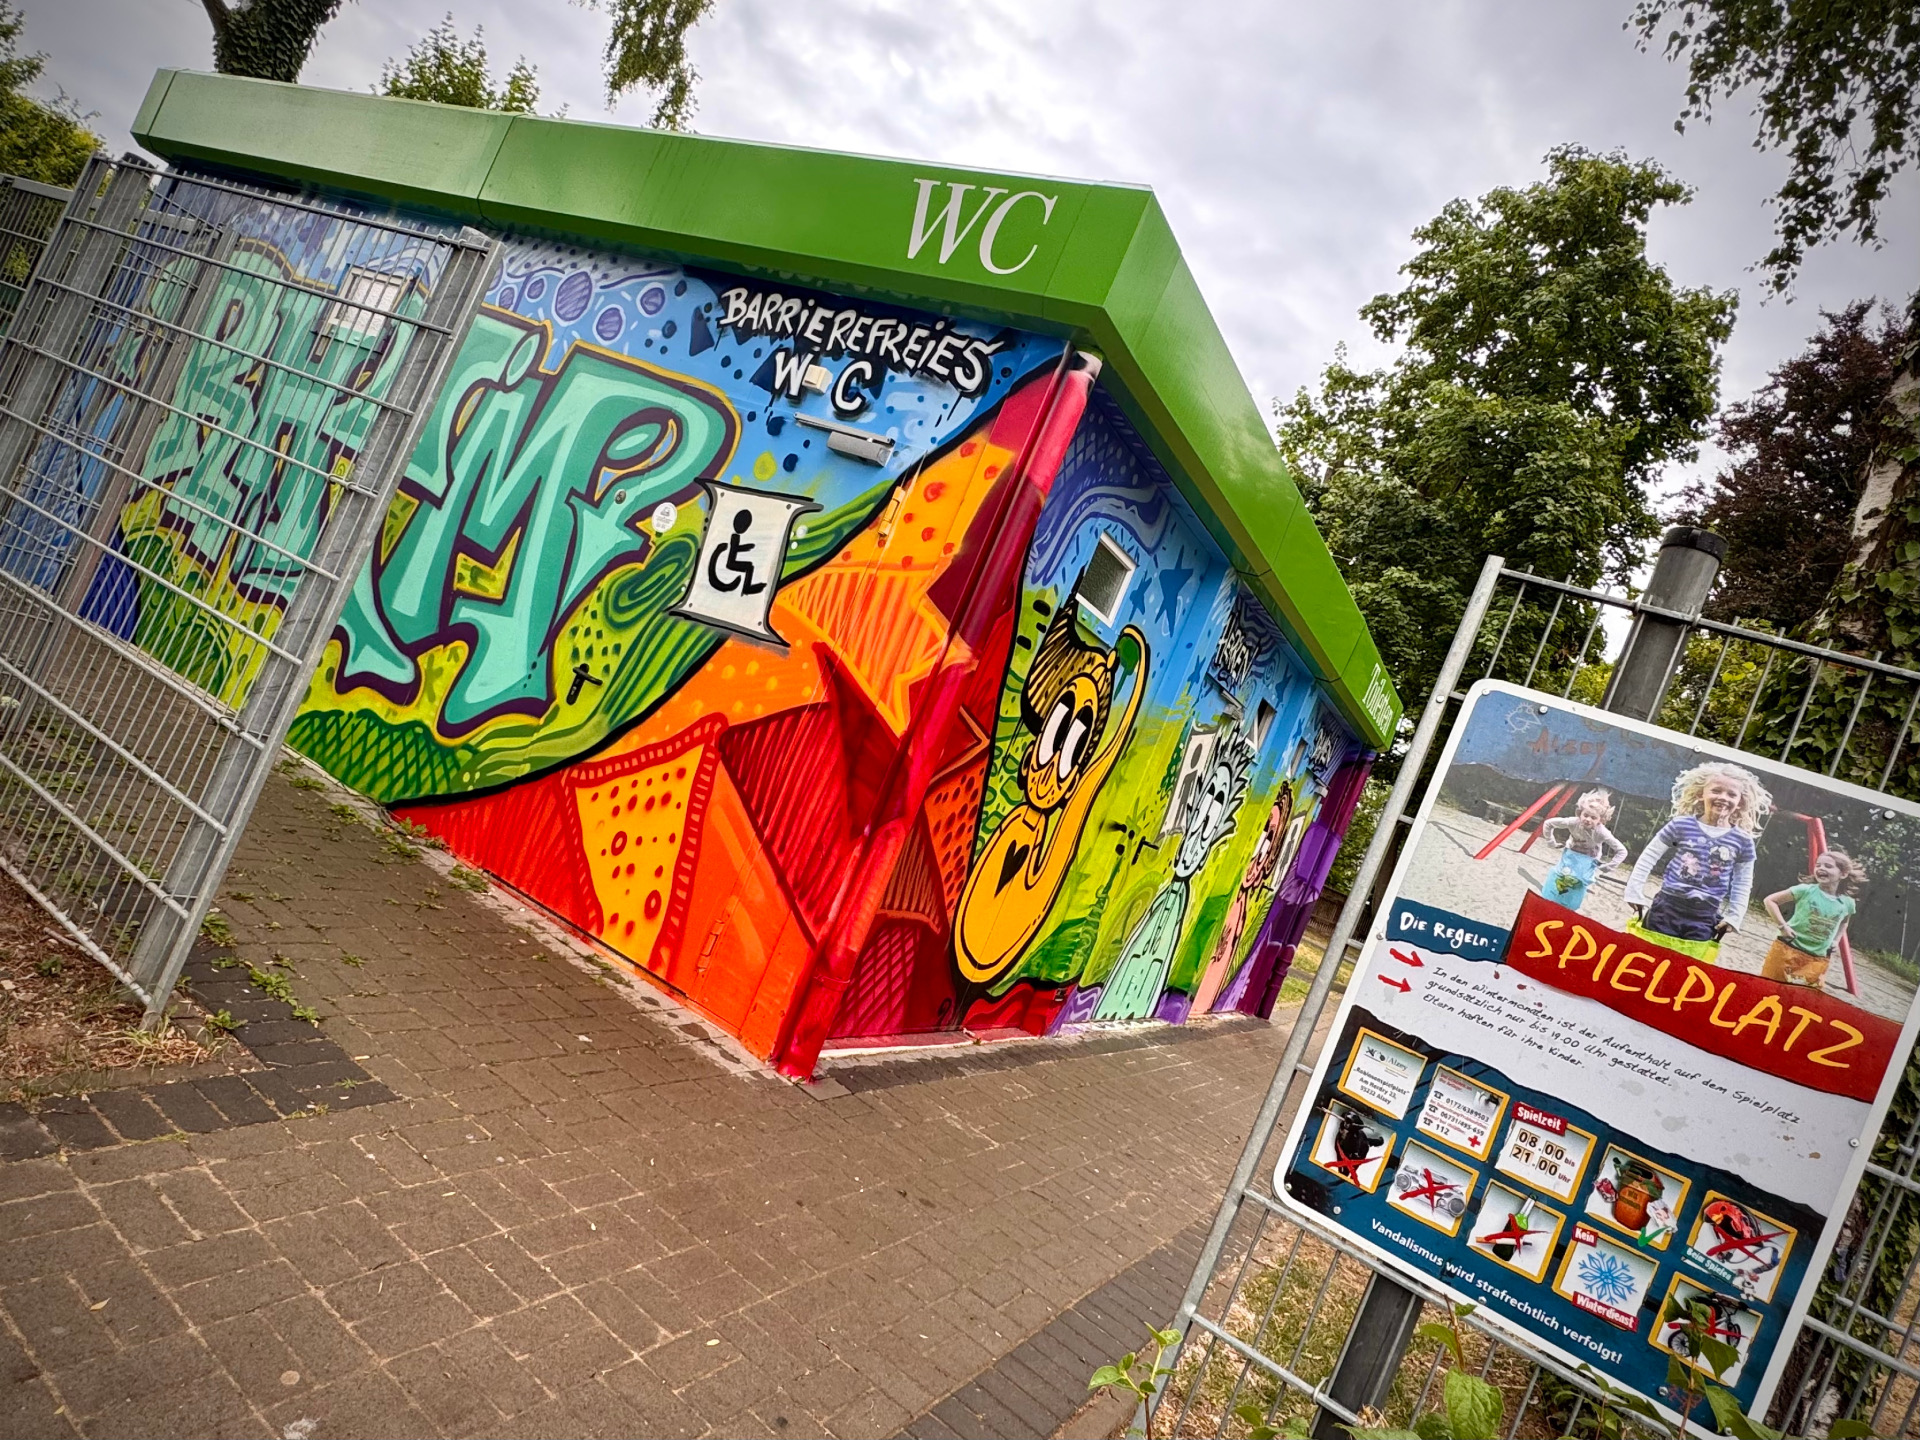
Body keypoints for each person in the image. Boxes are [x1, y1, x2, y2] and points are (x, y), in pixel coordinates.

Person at [1622, 761, 1773, 963]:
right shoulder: (1680, 825)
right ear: (1701, 793)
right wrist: (1634, 891)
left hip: (1705, 914)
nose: (1723, 798)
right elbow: (1648, 857)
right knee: (1649, 958)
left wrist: (1734, 916)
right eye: (1716, 791)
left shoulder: (1742, 840)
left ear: (1740, 802)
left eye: (1731, 794)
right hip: (1668, 905)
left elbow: (1743, 883)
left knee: (1688, 965)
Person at [1761, 849, 1862, 987]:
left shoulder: (1848, 903)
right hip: (1787, 949)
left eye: (1828, 866)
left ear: (1843, 874)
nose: (1821, 868)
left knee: (1801, 997)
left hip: (1817, 958)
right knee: (1768, 987)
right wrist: (1783, 926)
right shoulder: (1805, 890)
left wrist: (1836, 940)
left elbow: (1844, 922)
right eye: (1818, 865)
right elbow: (1770, 901)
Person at [1537, 789, 1628, 912]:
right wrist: (1550, 841)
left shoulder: (1602, 832)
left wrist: (1609, 866)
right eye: (1585, 815)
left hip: (1589, 859)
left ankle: (1568, 907)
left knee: (1577, 882)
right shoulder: (1572, 822)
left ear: (1600, 820)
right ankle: (1551, 899)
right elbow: (1548, 823)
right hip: (1571, 853)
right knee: (1561, 875)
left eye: (1593, 817)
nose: (1588, 820)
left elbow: (1622, 850)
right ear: (1580, 813)